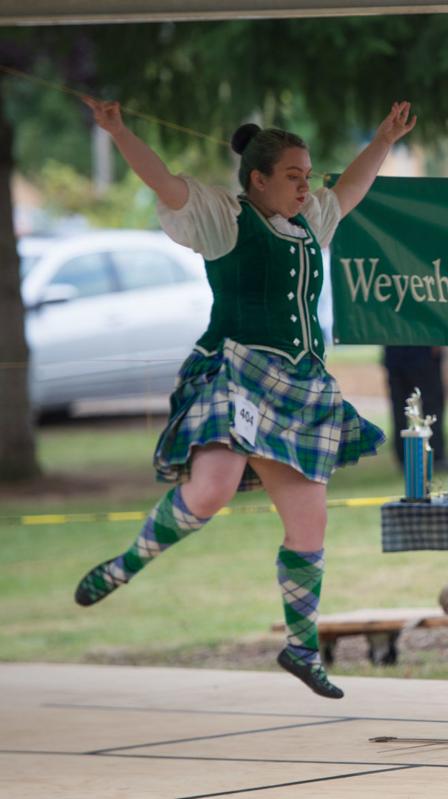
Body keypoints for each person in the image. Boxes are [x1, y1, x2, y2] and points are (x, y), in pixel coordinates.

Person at [73, 96, 417, 699]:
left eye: (307, 175)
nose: (305, 186)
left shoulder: (314, 221)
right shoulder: (222, 219)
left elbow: (353, 187)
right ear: (256, 179)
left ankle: (302, 648)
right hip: (234, 369)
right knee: (211, 488)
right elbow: (163, 181)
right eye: (292, 176)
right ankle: (124, 565)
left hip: (301, 383)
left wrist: (385, 138)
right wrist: (119, 131)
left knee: (310, 525)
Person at [383, 345, 447, 469]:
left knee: (400, 407)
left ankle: (404, 457)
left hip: (395, 350)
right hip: (422, 349)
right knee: (431, 404)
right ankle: (434, 454)